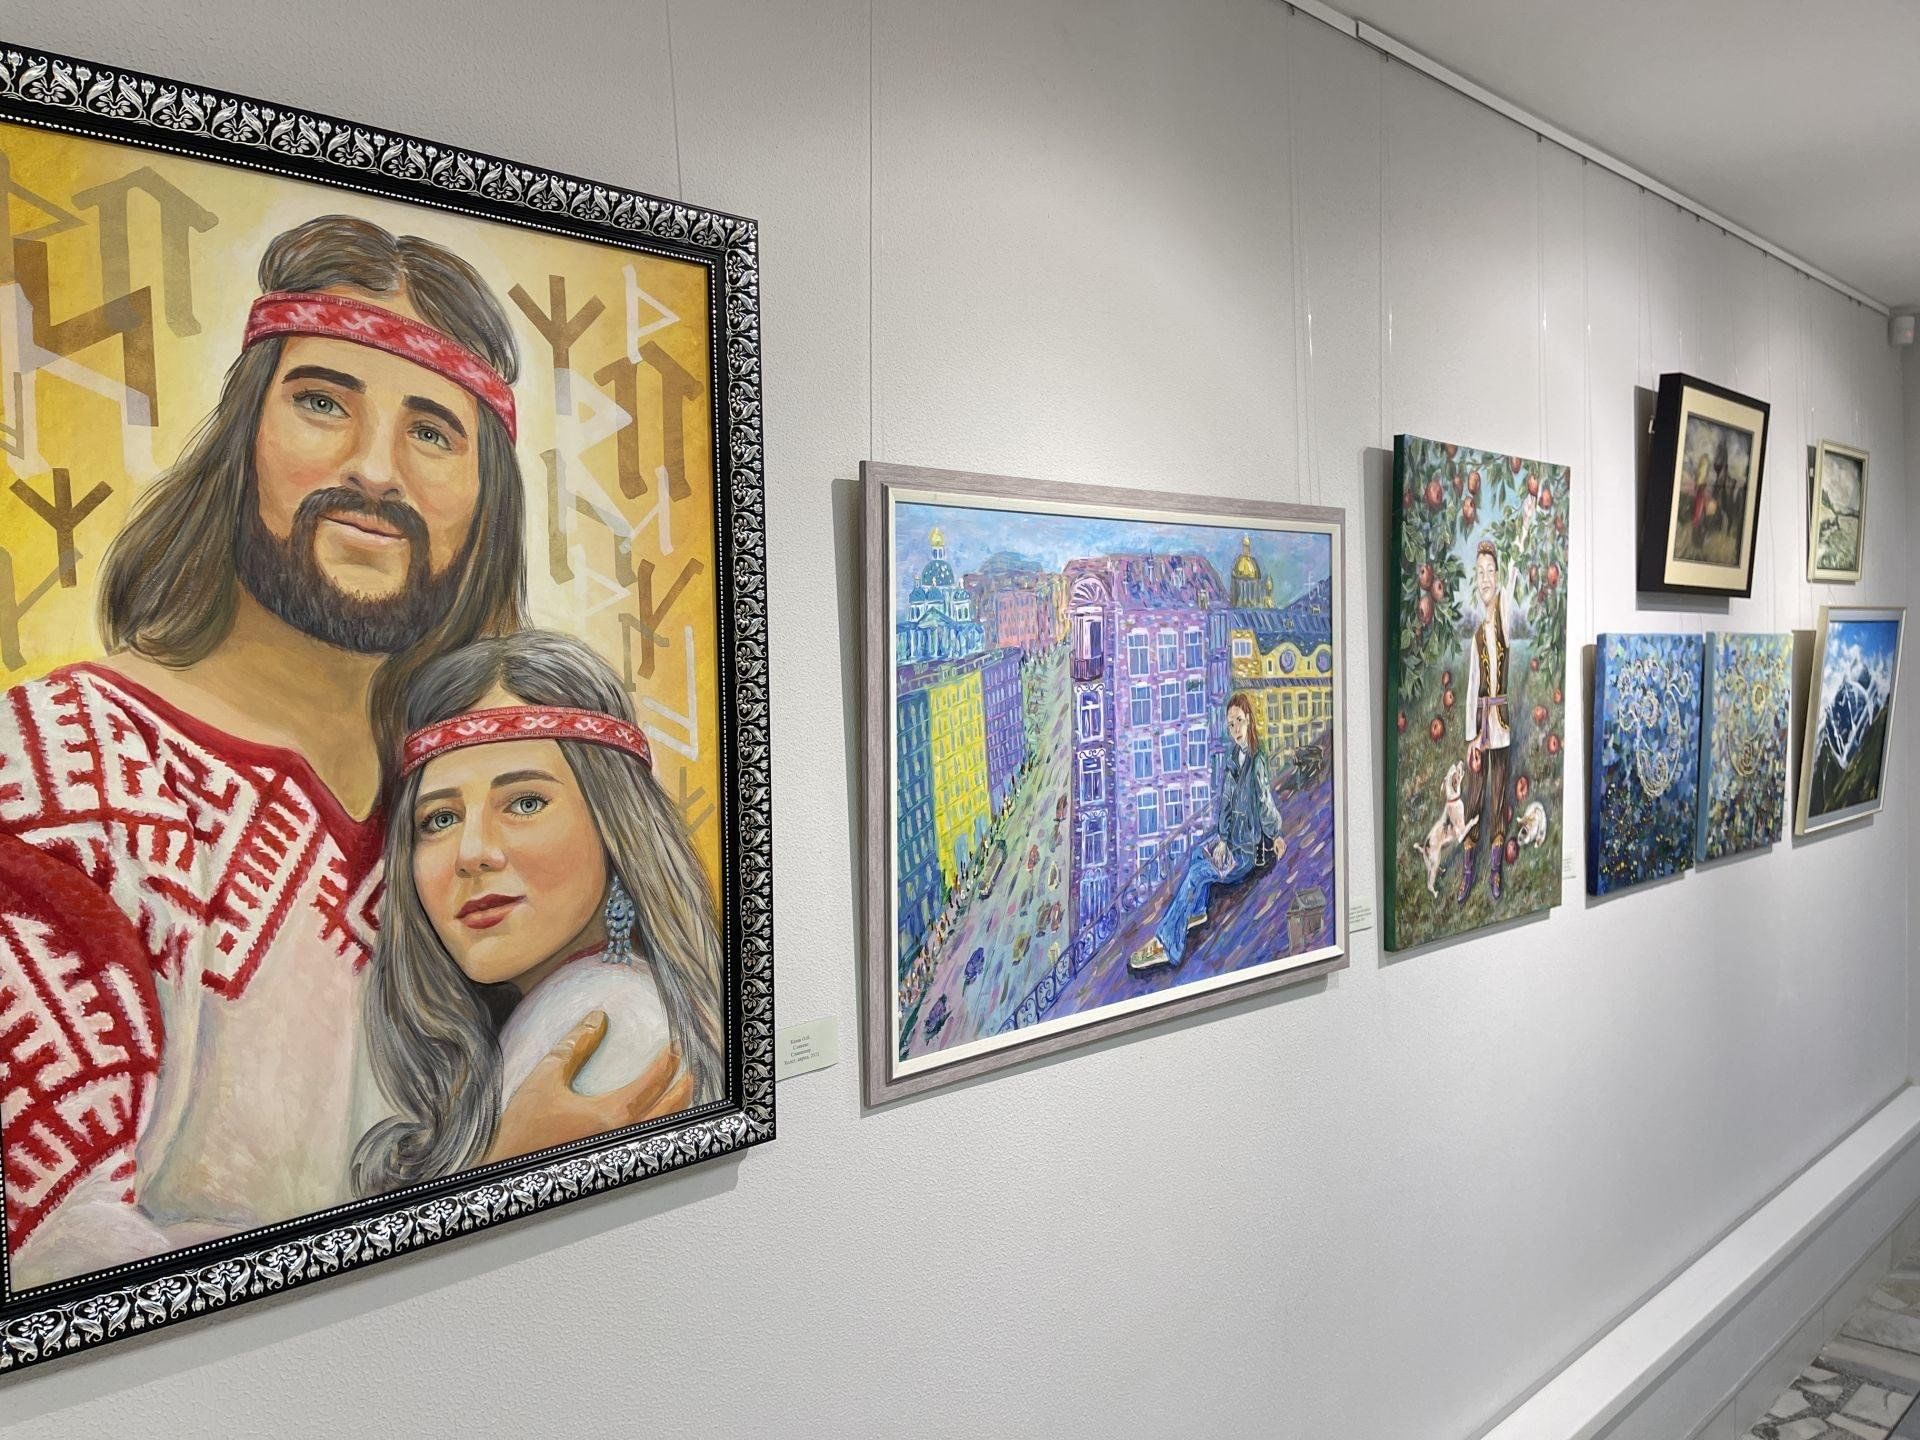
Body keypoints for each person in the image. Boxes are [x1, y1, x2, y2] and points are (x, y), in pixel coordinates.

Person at [0, 216, 652, 1287]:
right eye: (322, 403)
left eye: (432, 431)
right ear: (244, 436)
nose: (374, 470)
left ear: (485, 499)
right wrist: (491, 1187)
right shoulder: (57, 768)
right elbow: (53, 1257)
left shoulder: (474, 788)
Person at [353, 632, 725, 1193]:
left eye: (525, 802)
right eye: (440, 819)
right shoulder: (554, 1009)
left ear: (614, 824)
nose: (472, 853)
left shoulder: (609, 1017)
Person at [1127, 693, 1285, 975]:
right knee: (1197, 854)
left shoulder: (1256, 760)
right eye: (1231, 724)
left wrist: (1276, 834)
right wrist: (1222, 838)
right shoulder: (1234, 757)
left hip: (1245, 853)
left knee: (1196, 874)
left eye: (1239, 721)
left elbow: (1264, 802)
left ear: (1250, 720)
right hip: (1231, 842)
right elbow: (1225, 802)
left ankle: (1166, 944)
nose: (1235, 729)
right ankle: (1197, 911)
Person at [1456, 495, 1537, 904]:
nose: (1486, 579)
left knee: (1499, 794)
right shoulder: (1475, 634)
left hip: (1501, 725)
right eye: (1480, 573)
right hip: (1481, 730)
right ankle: (1468, 872)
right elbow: (1472, 686)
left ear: (1497, 576)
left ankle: (1494, 871)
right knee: (1474, 798)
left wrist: (1524, 524)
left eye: (1491, 572)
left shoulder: (1503, 613)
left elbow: (1517, 566)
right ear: (1476, 580)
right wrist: (1471, 736)